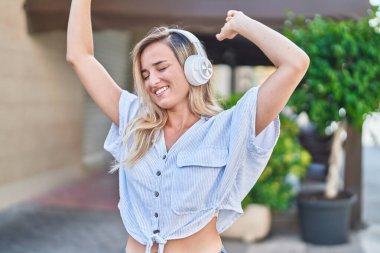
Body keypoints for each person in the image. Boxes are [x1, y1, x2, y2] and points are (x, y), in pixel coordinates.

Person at [66, 0, 310, 252]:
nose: (152, 81)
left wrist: (242, 24)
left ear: (195, 69)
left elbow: (295, 63)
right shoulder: (133, 117)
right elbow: (79, 56)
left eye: (161, 68)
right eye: (146, 74)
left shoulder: (228, 127)